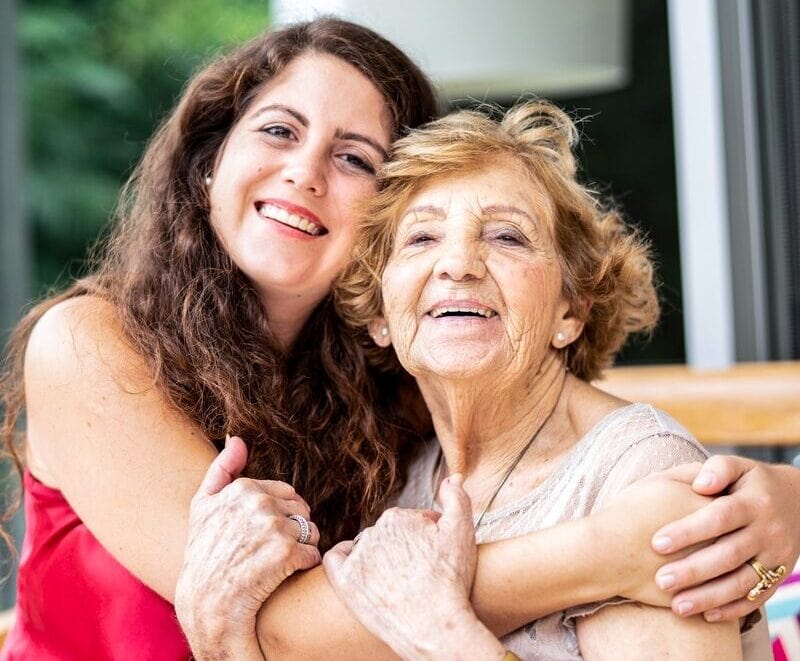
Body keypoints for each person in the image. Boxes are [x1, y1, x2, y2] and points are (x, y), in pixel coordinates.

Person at [0, 17, 796, 660]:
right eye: (278, 130)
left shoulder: (401, 406)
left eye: (354, 157)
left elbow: (580, 433)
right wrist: (601, 551)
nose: (305, 172)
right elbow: (287, 631)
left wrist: (786, 501)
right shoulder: (88, 345)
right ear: (210, 164)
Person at [323, 100, 772, 658]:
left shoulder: (639, 475)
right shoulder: (398, 482)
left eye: (507, 237)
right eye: (421, 239)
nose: (458, 263)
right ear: (380, 317)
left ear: (570, 312)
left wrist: (444, 633)